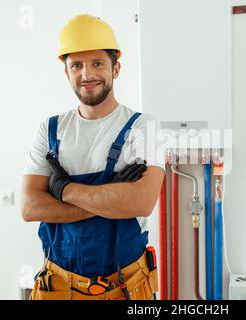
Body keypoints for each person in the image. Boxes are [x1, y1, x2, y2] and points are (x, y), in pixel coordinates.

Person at [20, 14, 164, 300]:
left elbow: (141, 202)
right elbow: (30, 207)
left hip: (126, 287)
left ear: (116, 68)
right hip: (60, 287)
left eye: (97, 63)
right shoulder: (50, 129)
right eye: (76, 65)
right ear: (67, 72)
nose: (87, 75)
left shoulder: (143, 127)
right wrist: (111, 199)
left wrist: (64, 190)